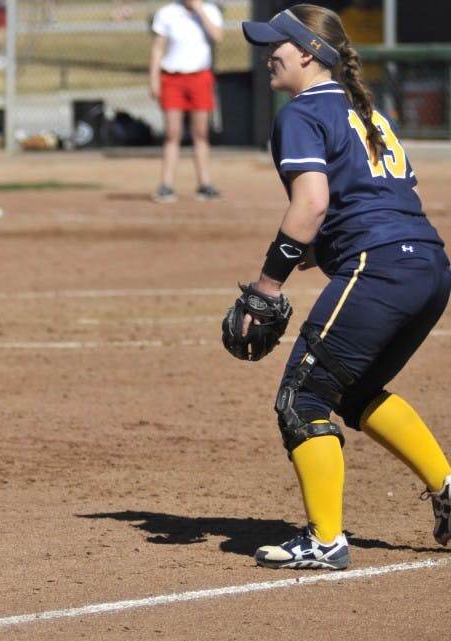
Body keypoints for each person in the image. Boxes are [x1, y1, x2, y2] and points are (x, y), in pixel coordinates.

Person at [224, 4, 451, 570]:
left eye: (275, 44)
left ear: (308, 53)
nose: (265, 53)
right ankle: (448, 488)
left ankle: (325, 540)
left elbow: (313, 203)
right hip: (427, 265)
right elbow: (366, 201)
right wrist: (313, 254)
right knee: (353, 391)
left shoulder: (300, 112)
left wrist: (268, 285)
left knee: (302, 399)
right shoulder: (365, 111)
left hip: (379, 268)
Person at [148, 0, 223, 203]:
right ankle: (166, 185)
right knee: (173, 134)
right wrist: (154, 79)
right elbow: (158, 48)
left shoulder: (210, 10)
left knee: (201, 134)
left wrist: (199, 10)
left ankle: (205, 184)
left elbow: (217, 36)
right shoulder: (167, 13)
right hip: (173, 78)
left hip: (199, 77)